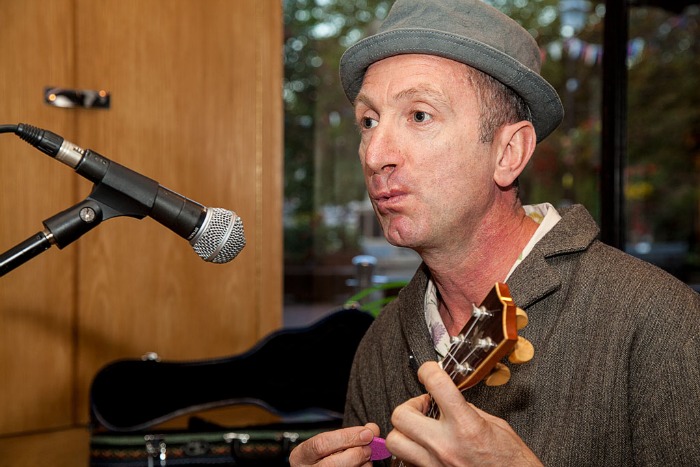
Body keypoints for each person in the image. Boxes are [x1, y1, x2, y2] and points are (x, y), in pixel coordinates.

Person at [289, 0, 700, 465]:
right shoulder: (380, 345)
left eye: (419, 115)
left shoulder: (659, 321)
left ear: (508, 152)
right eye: (368, 121)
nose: (374, 154)